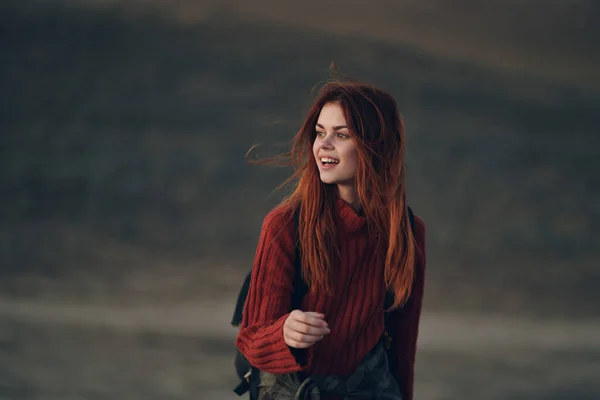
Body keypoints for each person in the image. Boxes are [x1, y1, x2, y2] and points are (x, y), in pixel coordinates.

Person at [235, 79, 426, 400]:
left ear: (375, 145)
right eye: (320, 133)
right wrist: (283, 332)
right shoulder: (284, 225)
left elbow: (403, 347)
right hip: (297, 388)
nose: (323, 145)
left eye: (341, 135)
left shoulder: (407, 230)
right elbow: (251, 338)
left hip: (368, 386)